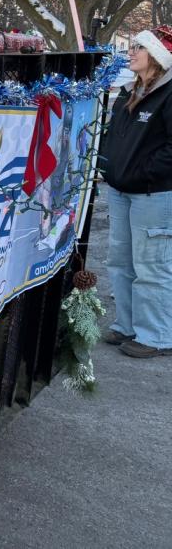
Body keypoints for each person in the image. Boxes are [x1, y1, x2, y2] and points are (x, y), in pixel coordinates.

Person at [100, 26, 172, 358]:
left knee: (151, 264)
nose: (130, 52)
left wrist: (144, 173)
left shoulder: (168, 93)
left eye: (138, 47)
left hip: (152, 194)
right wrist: (108, 166)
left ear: (156, 55)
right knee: (120, 260)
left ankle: (156, 335)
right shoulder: (128, 90)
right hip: (119, 189)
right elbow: (111, 135)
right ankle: (126, 325)